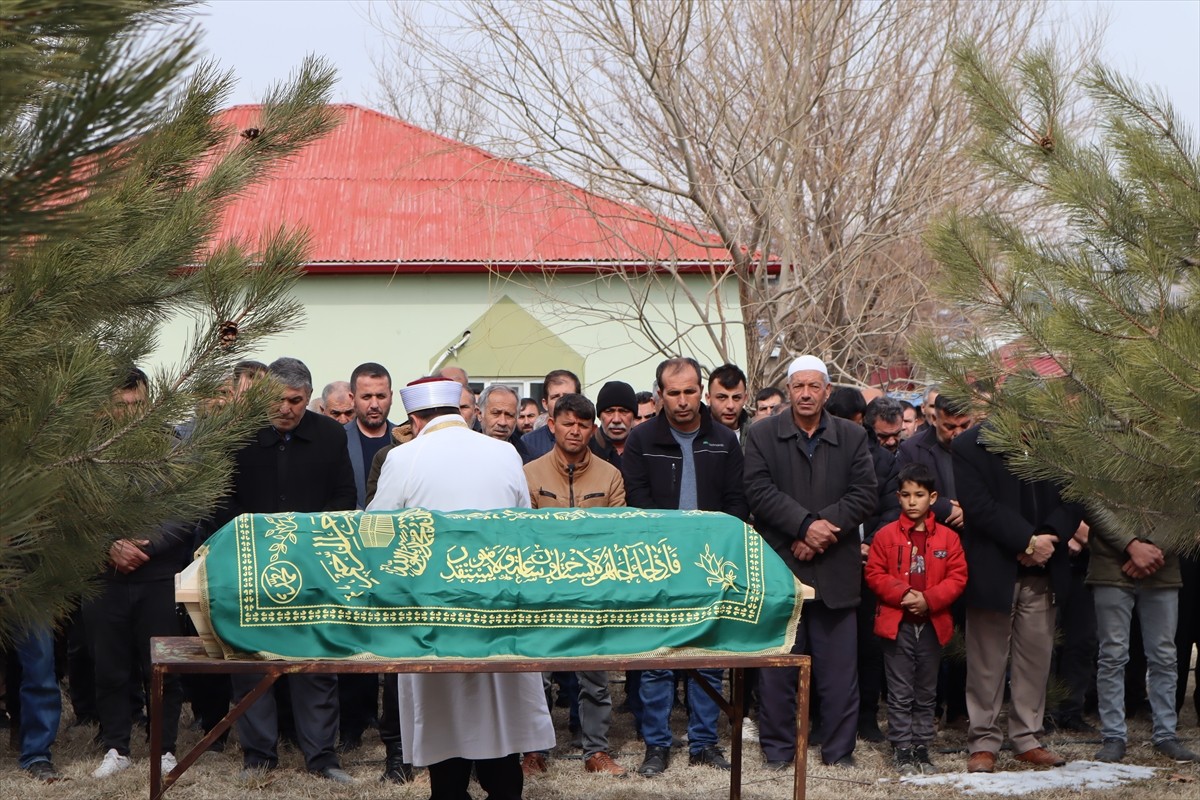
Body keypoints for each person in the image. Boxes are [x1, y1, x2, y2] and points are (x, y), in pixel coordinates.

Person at [368, 377, 555, 800]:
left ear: (415, 418)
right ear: (463, 411)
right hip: (499, 615)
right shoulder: (505, 452)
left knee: (444, 729)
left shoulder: (403, 458)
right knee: (501, 729)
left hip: (433, 619)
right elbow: (523, 527)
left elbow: (375, 535)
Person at [205, 357, 357, 784]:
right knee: (251, 661)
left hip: (312, 568)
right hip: (248, 565)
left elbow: (344, 495)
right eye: (278, 400)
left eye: (296, 400)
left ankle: (322, 757)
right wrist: (258, 539)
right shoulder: (238, 433)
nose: (286, 408)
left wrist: (306, 541)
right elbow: (219, 500)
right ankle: (258, 756)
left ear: (309, 399)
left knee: (315, 665)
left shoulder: (329, 435)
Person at [744, 355, 877, 770]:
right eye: (798, 386)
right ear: (788, 390)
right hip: (783, 569)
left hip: (835, 569)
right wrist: (803, 526)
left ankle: (839, 752)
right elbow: (757, 491)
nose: (805, 393)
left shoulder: (853, 436)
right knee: (778, 672)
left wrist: (820, 531)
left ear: (827, 391)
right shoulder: (762, 434)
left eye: (813, 386)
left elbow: (865, 493)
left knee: (839, 675)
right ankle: (779, 752)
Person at [621, 357, 748, 777]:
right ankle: (656, 745)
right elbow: (638, 504)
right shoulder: (641, 439)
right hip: (659, 566)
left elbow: (736, 503)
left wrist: (714, 550)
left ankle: (704, 743)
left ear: (702, 392)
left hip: (710, 566)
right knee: (658, 661)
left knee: (708, 659)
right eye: (672, 392)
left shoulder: (725, 440)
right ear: (659, 394)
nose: (682, 401)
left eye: (689, 391)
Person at [953, 420, 1082, 773]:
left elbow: (1075, 496)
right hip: (994, 567)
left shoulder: (1058, 438)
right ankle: (983, 741)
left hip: (1044, 569)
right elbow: (978, 506)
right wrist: (1027, 541)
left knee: (1036, 659)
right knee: (986, 661)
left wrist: (1050, 537)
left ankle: (1027, 737)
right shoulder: (970, 444)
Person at [88, 369, 190, 779]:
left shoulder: (174, 447)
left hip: (158, 573)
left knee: (162, 666)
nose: (130, 413)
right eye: (121, 405)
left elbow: (189, 509)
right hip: (103, 576)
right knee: (109, 666)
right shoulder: (87, 451)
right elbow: (73, 511)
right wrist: (109, 547)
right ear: (106, 407)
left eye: (138, 404)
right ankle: (115, 746)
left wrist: (145, 545)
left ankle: (163, 748)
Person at [523, 393, 626, 776]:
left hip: (593, 590)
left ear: (592, 429)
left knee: (595, 678)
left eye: (583, 425)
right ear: (552, 426)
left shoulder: (609, 475)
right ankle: (533, 752)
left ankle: (595, 751)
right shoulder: (530, 473)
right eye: (568, 423)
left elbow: (619, 534)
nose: (575, 431)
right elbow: (523, 533)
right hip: (543, 590)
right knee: (538, 679)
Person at [865, 463, 967, 775]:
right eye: (906, 495)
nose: (912, 502)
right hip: (897, 626)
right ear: (898, 497)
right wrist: (905, 594)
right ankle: (901, 747)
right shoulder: (885, 535)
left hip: (933, 624)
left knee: (926, 690)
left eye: (919, 495)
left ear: (932, 497)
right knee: (900, 690)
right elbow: (874, 572)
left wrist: (929, 600)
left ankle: (921, 745)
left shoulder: (949, 538)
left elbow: (958, 576)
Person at [1087, 516, 1199, 763]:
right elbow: (1092, 500)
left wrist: (1152, 549)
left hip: (1163, 567)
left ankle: (1166, 734)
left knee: (1164, 656)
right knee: (1112, 655)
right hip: (1110, 565)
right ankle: (1113, 736)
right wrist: (1131, 546)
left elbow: (1181, 507)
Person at [518, 370, 581, 462]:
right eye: (555, 397)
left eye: (567, 396)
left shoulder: (589, 437)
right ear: (545, 404)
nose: (561, 402)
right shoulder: (528, 442)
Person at [590, 380, 637, 466]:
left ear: (634, 416)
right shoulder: (586, 451)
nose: (616, 420)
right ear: (600, 416)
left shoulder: (646, 449)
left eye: (624, 411)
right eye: (609, 411)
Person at [706, 363, 750, 440]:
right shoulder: (692, 434)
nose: (730, 406)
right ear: (708, 398)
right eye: (722, 397)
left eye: (736, 397)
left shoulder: (757, 436)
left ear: (745, 399)